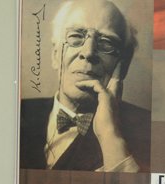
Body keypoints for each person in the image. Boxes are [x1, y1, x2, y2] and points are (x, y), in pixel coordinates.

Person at [20, 0, 150, 172]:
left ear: (123, 65)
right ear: (55, 55)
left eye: (106, 43)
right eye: (76, 37)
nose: (88, 52)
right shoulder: (18, 112)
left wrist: (110, 134)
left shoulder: (149, 130)